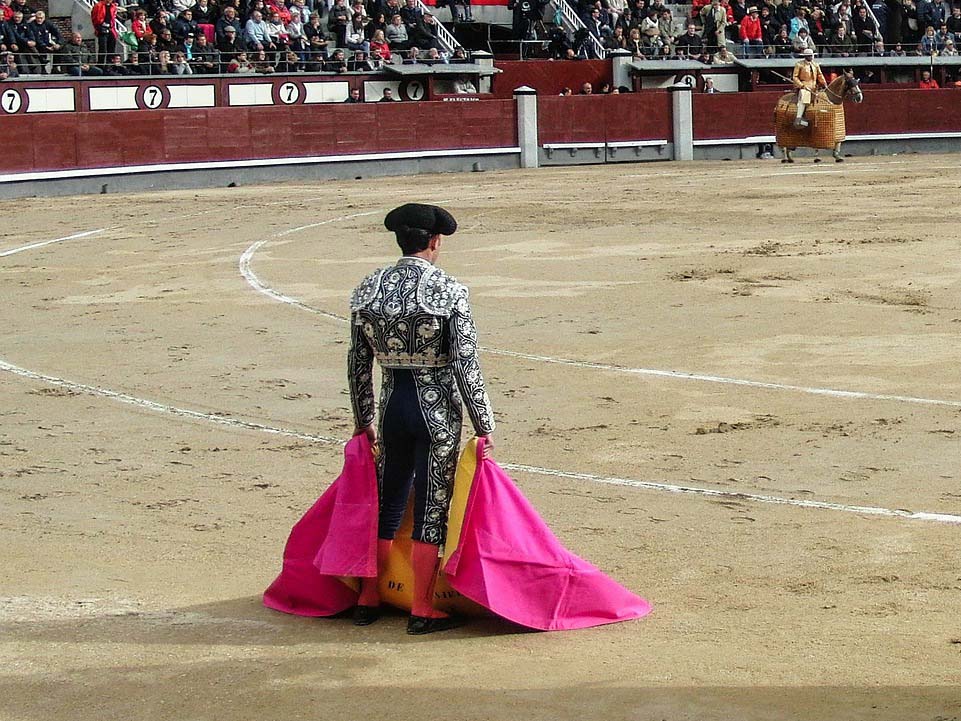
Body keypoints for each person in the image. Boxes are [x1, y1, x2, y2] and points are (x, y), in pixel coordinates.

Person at [347, 203, 495, 635]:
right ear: (435, 241)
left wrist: (363, 419)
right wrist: (483, 424)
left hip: (392, 407)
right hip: (435, 412)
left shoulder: (368, 288)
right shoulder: (449, 290)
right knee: (432, 506)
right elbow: (465, 363)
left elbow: (357, 363)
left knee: (386, 501)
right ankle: (422, 608)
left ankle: (368, 598)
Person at [791, 46, 826, 128]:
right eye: (809, 56)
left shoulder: (815, 64)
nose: (811, 57)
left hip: (815, 86)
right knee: (804, 97)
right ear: (805, 56)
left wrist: (824, 83)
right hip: (804, 86)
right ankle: (798, 118)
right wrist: (802, 85)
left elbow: (820, 75)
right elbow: (795, 77)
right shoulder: (799, 64)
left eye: (812, 55)